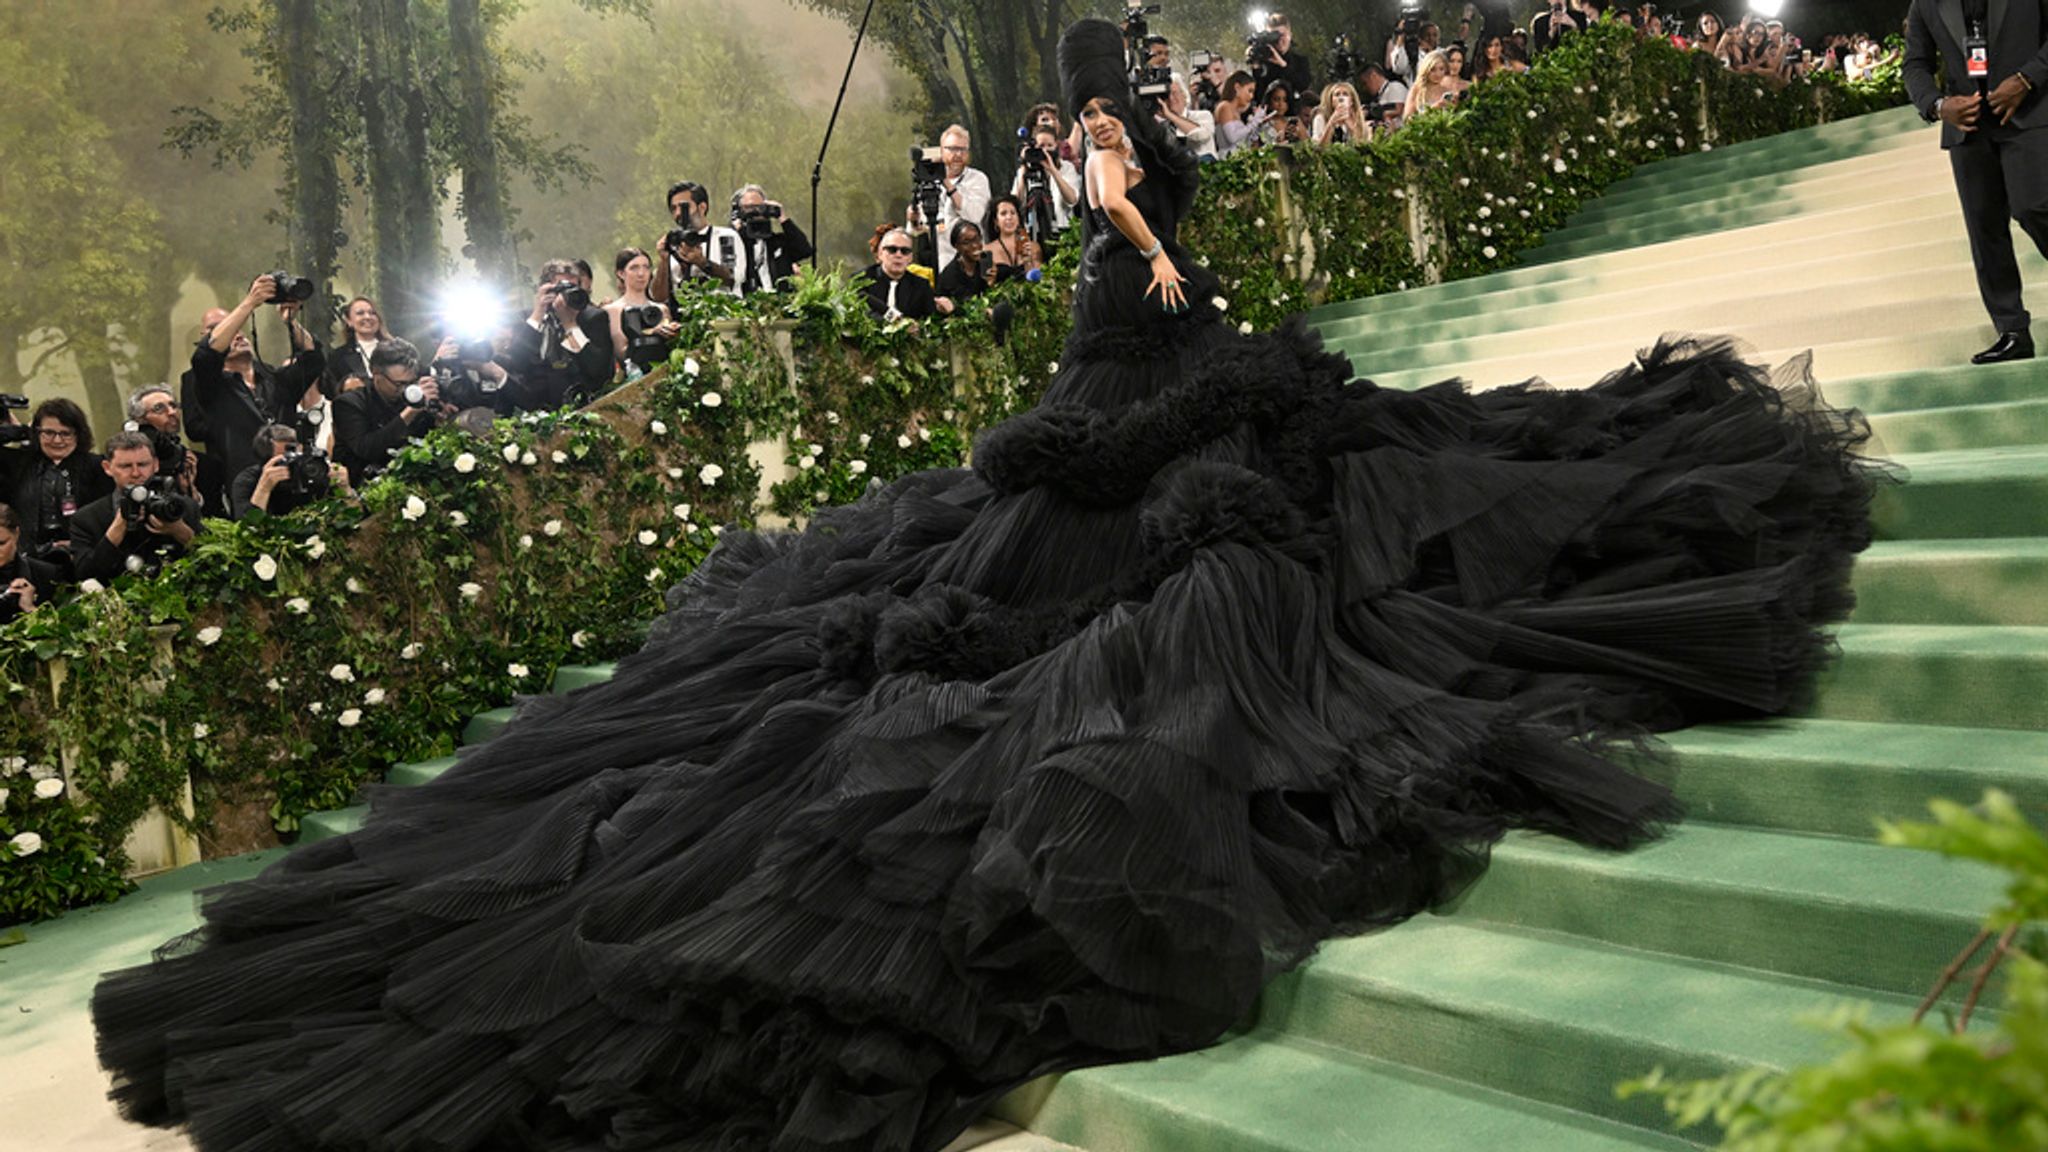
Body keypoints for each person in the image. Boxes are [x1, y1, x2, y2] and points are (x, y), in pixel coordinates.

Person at [92, 18, 1882, 1152]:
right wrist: (1152, 239)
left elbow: (1112, 201)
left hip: (1134, 342)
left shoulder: (1101, 136)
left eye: (1076, 97)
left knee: (1102, 554)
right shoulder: (1124, 132)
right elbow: (1118, 197)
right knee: (1113, 547)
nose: (1077, 115)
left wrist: (1145, 243)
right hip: (1135, 342)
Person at [1905, 0, 2048, 364]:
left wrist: (2028, 78)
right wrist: (1938, 105)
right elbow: (1915, 64)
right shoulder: (1925, 3)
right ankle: (2012, 331)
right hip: (1967, 129)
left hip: (2029, 113)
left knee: (2034, 206)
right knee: (1985, 231)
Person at [188, 275, 327, 495]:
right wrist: (250, 302)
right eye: (228, 330)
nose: (237, 334)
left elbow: (314, 360)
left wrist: (290, 321)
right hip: (247, 486)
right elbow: (205, 358)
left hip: (294, 481)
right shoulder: (212, 387)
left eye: (238, 330)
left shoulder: (276, 379)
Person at [67, 430, 201, 586]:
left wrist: (179, 530)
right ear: (107, 467)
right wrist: (118, 527)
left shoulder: (183, 507)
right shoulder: (86, 518)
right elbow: (84, 574)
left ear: (156, 464)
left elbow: (211, 560)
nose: (136, 473)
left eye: (143, 464)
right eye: (125, 466)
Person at [0, 397, 109, 575]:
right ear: (36, 433)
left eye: (65, 433)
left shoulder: (98, 467)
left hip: (83, 562)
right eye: (48, 433)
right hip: (27, 565)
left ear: (78, 434)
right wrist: (17, 432)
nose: (57, 440)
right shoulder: (18, 463)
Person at [501, 260, 617, 411]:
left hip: (586, 403)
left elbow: (598, 369)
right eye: (562, 287)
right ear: (545, 289)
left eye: (573, 287)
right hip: (540, 409)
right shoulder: (526, 320)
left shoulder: (593, 317)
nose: (567, 293)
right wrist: (538, 314)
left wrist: (570, 325)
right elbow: (517, 363)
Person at [332, 339, 441, 486]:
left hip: (413, 484)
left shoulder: (413, 397)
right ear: (376, 376)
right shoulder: (348, 403)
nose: (405, 389)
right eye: (399, 384)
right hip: (362, 488)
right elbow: (367, 448)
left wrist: (438, 415)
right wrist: (411, 411)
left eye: (411, 382)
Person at [230, 424, 353, 519]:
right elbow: (247, 530)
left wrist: (346, 489)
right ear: (266, 462)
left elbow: (357, 518)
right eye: (287, 459)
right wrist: (264, 489)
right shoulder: (248, 480)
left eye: (298, 456)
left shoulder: (313, 472)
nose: (295, 464)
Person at [915, 124, 992, 271]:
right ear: (942, 150)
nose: (958, 154)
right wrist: (914, 219)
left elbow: (975, 216)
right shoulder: (928, 182)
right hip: (942, 260)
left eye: (962, 149)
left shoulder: (978, 179)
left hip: (973, 262)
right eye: (952, 149)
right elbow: (917, 228)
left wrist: (948, 184)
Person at [652, 181, 743, 301]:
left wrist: (701, 262)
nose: (678, 213)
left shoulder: (725, 237)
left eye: (684, 207)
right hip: (680, 317)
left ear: (702, 207)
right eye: (673, 209)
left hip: (723, 315)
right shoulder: (672, 242)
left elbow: (733, 279)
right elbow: (659, 298)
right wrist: (663, 260)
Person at [603, 248, 681, 376]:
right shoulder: (612, 311)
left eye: (646, 267)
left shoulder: (662, 309)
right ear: (621, 273)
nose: (641, 273)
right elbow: (621, 353)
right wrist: (652, 334)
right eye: (634, 268)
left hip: (666, 373)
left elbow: (671, 347)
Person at [731, 184, 816, 295]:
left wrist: (783, 218)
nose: (756, 212)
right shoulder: (737, 242)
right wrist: (739, 229)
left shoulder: (777, 243)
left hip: (780, 303)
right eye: (749, 208)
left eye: (760, 207)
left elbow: (804, 250)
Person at [1010, 123, 1082, 239]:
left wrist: (1053, 170)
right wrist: (1023, 172)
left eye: (1050, 145)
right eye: (1041, 146)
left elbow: (1072, 199)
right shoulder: (1025, 170)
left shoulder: (1066, 167)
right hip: (1032, 234)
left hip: (1062, 232)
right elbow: (1014, 205)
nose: (1045, 150)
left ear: (1056, 146)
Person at [857, 227, 939, 323]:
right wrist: (897, 323)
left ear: (910, 258)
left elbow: (930, 320)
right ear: (880, 254)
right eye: (892, 250)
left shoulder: (921, 285)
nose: (899, 255)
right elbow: (862, 314)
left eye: (905, 251)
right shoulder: (861, 279)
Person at [0, 505, 57, 625]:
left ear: (16, 534)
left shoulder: (46, 575)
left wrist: (30, 609)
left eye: (1, 543)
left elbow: (60, 636)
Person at [324, 296, 387, 395]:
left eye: (372, 313)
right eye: (360, 313)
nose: (367, 317)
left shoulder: (398, 349)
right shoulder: (337, 357)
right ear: (349, 321)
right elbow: (332, 392)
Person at [1248, 10, 1313, 100]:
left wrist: (1283, 65)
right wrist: (1256, 67)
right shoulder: (1263, 63)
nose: (1279, 40)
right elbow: (1256, 95)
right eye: (1274, 36)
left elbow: (1303, 88)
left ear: (1290, 35)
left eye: (1282, 35)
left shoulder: (1300, 61)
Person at [933, 220, 992, 315]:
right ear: (957, 246)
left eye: (977, 239)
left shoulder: (985, 261)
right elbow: (961, 305)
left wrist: (992, 282)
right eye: (966, 242)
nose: (975, 245)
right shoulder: (949, 275)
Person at [983, 195, 1042, 282]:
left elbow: (1039, 282)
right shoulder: (986, 250)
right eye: (1003, 213)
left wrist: (1027, 260)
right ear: (996, 221)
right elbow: (986, 286)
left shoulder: (1033, 246)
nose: (1009, 217)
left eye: (1013, 213)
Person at [1160, 76, 1218, 160]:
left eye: (1174, 93)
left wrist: (1172, 116)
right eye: (1166, 95)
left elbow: (1201, 135)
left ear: (1184, 95)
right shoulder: (1163, 127)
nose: (1171, 98)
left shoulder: (1203, 115)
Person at [1405, 49, 1460, 120]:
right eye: (1433, 70)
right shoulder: (1417, 90)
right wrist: (1434, 108)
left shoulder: (1447, 91)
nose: (1438, 74)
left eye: (1441, 69)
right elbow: (1407, 119)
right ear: (1426, 70)